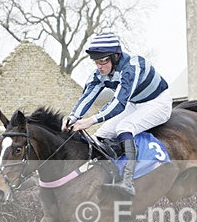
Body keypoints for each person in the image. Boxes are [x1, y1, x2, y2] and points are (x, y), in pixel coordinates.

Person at [63, 33, 172, 196]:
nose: (99, 66)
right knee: (101, 134)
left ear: (115, 56)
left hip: (157, 102)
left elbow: (119, 103)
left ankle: (128, 182)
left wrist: (91, 120)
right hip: (135, 103)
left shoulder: (132, 67)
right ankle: (104, 175)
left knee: (124, 127)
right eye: (96, 62)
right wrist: (73, 118)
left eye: (103, 61)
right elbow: (88, 96)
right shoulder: (99, 73)